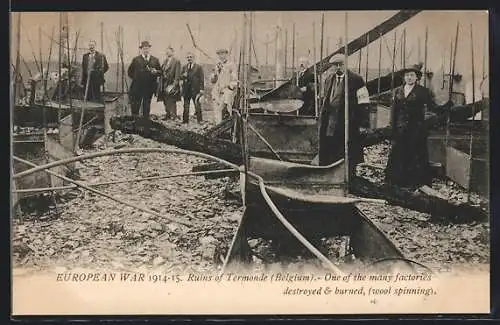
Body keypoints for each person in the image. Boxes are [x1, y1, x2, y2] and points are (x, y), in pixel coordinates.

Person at [318, 53, 370, 179]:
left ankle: (347, 177)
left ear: (345, 65)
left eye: (340, 65)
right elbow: (324, 100)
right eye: (335, 65)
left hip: (348, 121)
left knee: (346, 149)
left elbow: (364, 103)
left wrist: (363, 124)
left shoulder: (356, 80)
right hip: (330, 120)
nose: (338, 68)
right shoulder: (329, 79)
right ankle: (329, 176)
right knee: (329, 146)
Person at [385, 64, 436, 188]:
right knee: (398, 153)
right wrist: (392, 126)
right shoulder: (397, 91)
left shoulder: (423, 92)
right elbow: (393, 111)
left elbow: (431, 109)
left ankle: (415, 182)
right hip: (400, 128)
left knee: (415, 154)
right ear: (403, 77)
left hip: (416, 129)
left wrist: (424, 125)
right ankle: (395, 181)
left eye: (412, 75)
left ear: (417, 77)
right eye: (407, 75)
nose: (409, 78)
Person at [127, 40, 161, 118]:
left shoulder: (155, 60)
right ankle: (134, 123)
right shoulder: (136, 59)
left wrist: (156, 72)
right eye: (144, 48)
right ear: (141, 49)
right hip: (137, 87)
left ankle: (145, 123)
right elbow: (130, 72)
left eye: (147, 48)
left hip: (149, 87)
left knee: (146, 106)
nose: (146, 50)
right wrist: (136, 79)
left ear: (149, 49)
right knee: (135, 106)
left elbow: (160, 72)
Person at [210, 48, 238, 124]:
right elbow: (213, 81)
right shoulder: (217, 65)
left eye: (223, 54)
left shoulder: (231, 65)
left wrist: (229, 88)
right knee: (216, 111)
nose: (221, 56)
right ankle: (218, 128)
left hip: (226, 91)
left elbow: (235, 80)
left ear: (226, 54)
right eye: (219, 54)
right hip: (217, 91)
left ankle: (226, 128)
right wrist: (214, 74)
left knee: (225, 110)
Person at [157, 46, 181, 120]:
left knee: (172, 100)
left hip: (171, 83)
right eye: (166, 51)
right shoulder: (165, 61)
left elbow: (177, 75)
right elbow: (162, 71)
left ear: (172, 52)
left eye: (169, 51)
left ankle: (174, 115)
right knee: (165, 99)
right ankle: (167, 115)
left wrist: (174, 85)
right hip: (164, 83)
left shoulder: (176, 61)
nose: (167, 53)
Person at [180, 52, 205, 123]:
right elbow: (180, 77)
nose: (189, 58)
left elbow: (201, 79)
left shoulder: (198, 67)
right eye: (188, 57)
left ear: (194, 58)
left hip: (195, 89)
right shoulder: (184, 67)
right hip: (186, 90)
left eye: (191, 57)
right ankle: (185, 121)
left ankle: (200, 120)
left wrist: (201, 89)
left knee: (197, 105)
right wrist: (183, 76)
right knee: (186, 106)